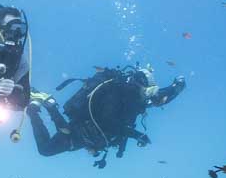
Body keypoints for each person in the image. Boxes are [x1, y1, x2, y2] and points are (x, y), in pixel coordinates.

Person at [26, 66, 186, 166]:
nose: (148, 95)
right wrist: (137, 135)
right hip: (84, 132)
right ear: (138, 85)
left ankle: (46, 107)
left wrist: (177, 88)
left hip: (92, 139)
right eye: (147, 91)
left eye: (150, 91)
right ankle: (48, 105)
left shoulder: (136, 100)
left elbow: (159, 98)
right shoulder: (116, 94)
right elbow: (107, 123)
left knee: (52, 145)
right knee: (46, 149)